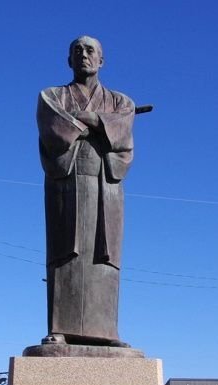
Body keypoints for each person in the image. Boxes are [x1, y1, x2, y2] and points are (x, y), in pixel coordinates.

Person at [37, 36, 135, 347]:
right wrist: (99, 126)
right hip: (66, 181)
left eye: (90, 50)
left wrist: (93, 119)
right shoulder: (52, 95)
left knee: (104, 254)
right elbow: (53, 127)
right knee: (66, 249)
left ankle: (105, 332)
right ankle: (60, 328)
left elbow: (122, 135)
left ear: (102, 60)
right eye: (76, 50)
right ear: (68, 60)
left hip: (106, 184)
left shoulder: (121, 102)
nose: (83, 54)